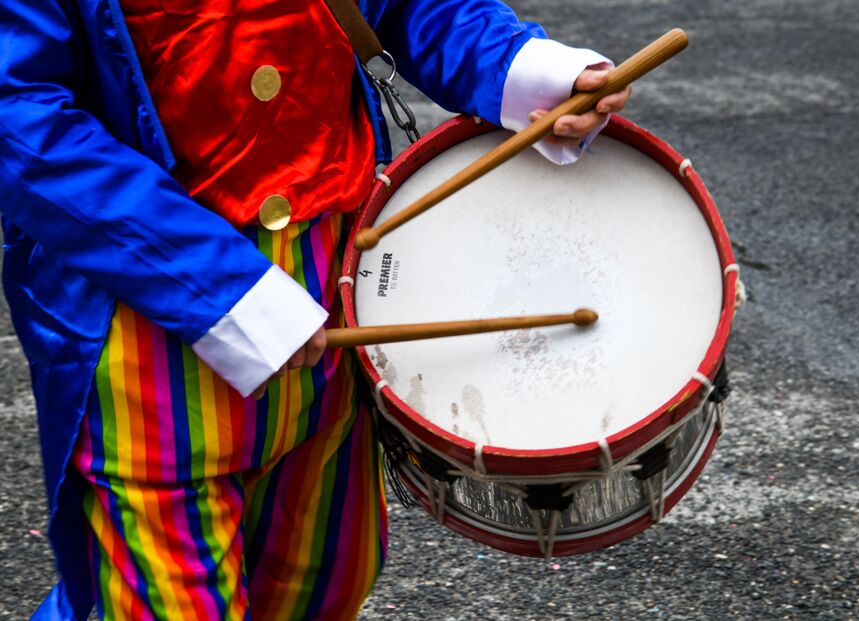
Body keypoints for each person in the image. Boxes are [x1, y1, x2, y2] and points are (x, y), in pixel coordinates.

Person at [0, 1, 631, 618]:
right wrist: (212, 283)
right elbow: (18, 115)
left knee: (325, 582)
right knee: (167, 599)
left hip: (334, 285)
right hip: (147, 320)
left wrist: (522, 68)